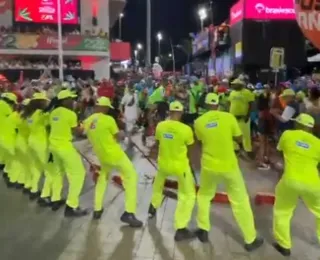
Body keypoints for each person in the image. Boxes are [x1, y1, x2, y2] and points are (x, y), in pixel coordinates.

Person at [194, 93, 263, 251]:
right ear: (218, 104)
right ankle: (250, 239)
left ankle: (203, 230)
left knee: (204, 196)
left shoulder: (199, 122)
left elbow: (199, 141)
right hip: (229, 166)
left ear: (205, 105)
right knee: (240, 201)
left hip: (209, 166)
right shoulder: (229, 118)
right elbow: (239, 138)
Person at [83, 97, 143, 227]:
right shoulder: (108, 120)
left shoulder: (87, 121)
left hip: (102, 156)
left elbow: (83, 132)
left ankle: (97, 209)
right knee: (131, 176)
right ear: (105, 108)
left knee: (102, 178)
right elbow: (118, 136)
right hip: (115, 155)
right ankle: (129, 213)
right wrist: (124, 134)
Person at [148, 101, 196, 241]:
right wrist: (191, 165)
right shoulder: (186, 129)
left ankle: (153, 206)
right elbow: (190, 149)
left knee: (158, 184)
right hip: (180, 166)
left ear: (169, 112)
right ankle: (181, 228)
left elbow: (157, 143)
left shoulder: (161, 126)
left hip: (163, 163)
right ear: (180, 113)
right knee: (188, 195)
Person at [273, 113, 320, 256]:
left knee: (283, 211)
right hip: (313, 183)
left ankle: (284, 245)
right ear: (311, 128)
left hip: (290, 180)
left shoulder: (287, 135)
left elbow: (279, 153)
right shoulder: (318, 143)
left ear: (298, 124)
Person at [49, 89, 87, 217]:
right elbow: (78, 132)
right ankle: (71, 206)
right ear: (64, 101)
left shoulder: (53, 112)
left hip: (53, 146)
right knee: (79, 174)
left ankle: (55, 199)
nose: (73, 101)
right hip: (65, 147)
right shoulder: (70, 114)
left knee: (58, 173)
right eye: (71, 99)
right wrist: (83, 126)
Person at [228, 78, 254, 157]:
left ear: (239, 85)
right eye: (232, 84)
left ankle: (248, 149)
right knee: (234, 134)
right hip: (233, 117)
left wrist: (248, 115)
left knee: (245, 135)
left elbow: (251, 104)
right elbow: (229, 103)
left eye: (234, 84)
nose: (233, 85)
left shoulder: (247, 92)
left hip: (243, 117)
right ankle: (236, 149)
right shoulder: (232, 93)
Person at [0, 92, 17, 184]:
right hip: (5, 133)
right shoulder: (5, 106)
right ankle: (8, 173)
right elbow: (11, 118)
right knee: (11, 155)